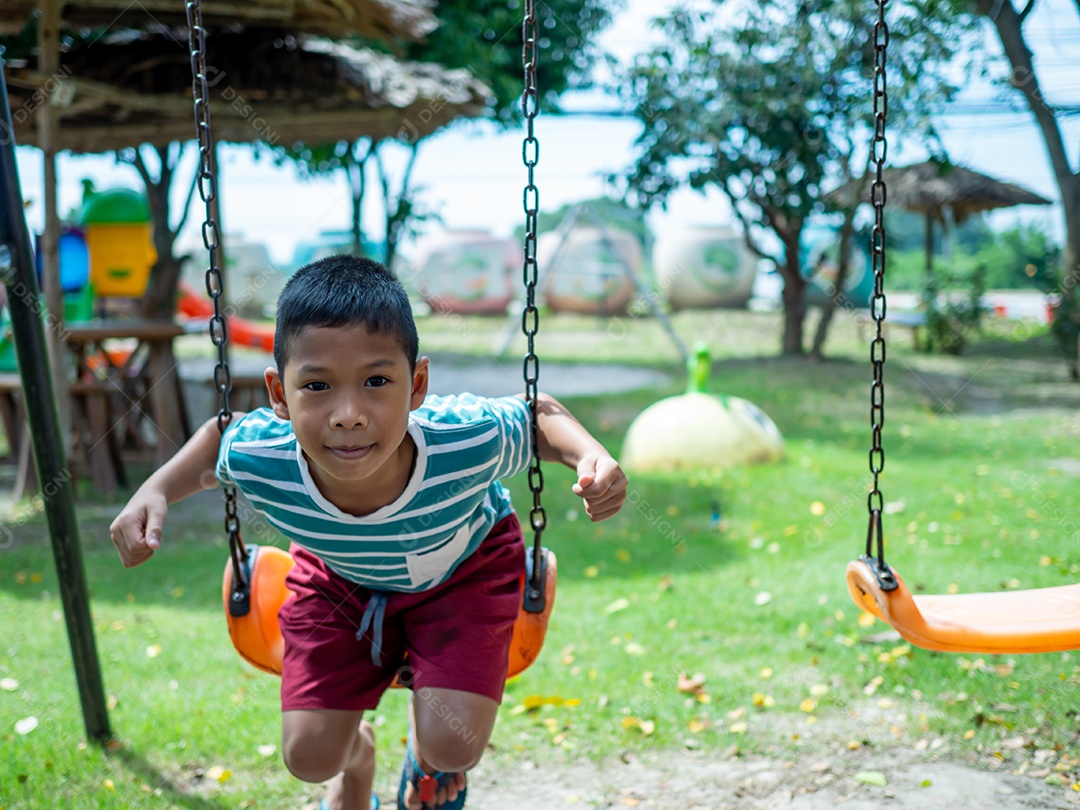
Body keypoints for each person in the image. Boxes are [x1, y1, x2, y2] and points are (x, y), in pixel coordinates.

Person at [110, 255, 628, 810]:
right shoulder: (267, 454)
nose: (349, 413)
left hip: (464, 568)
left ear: (418, 384)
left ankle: (428, 753)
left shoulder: (463, 441)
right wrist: (155, 489)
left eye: (377, 381)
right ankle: (357, 763)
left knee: (454, 743)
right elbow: (221, 437)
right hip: (339, 581)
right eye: (317, 386)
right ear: (279, 396)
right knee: (308, 757)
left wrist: (589, 455)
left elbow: (536, 415)